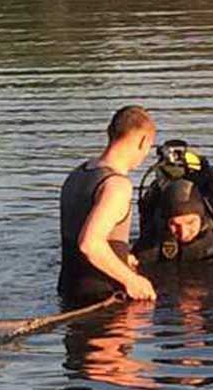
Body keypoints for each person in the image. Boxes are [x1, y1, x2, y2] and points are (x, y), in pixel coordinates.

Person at [58, 105, 158, 305]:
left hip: (68, 291)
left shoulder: (77, 174)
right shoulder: (116, 185)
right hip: (102, 299)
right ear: (143, 141)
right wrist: (132, 280)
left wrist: (122, 258)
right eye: (149, 147)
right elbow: (89, 244)